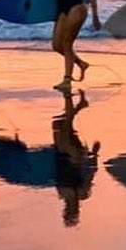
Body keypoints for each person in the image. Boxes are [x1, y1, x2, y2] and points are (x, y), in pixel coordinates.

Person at [51, 89, 101, 226]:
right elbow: (90, 173)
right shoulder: (82, 193)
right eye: (72, 211)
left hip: (61, 155)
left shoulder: (62, 194)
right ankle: (75, 102)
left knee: (58, 125)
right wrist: (94, 154)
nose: (69, 209)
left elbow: (55, 172)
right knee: (65, 126)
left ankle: (80, 105)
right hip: (74, 157)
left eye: (67, 212)